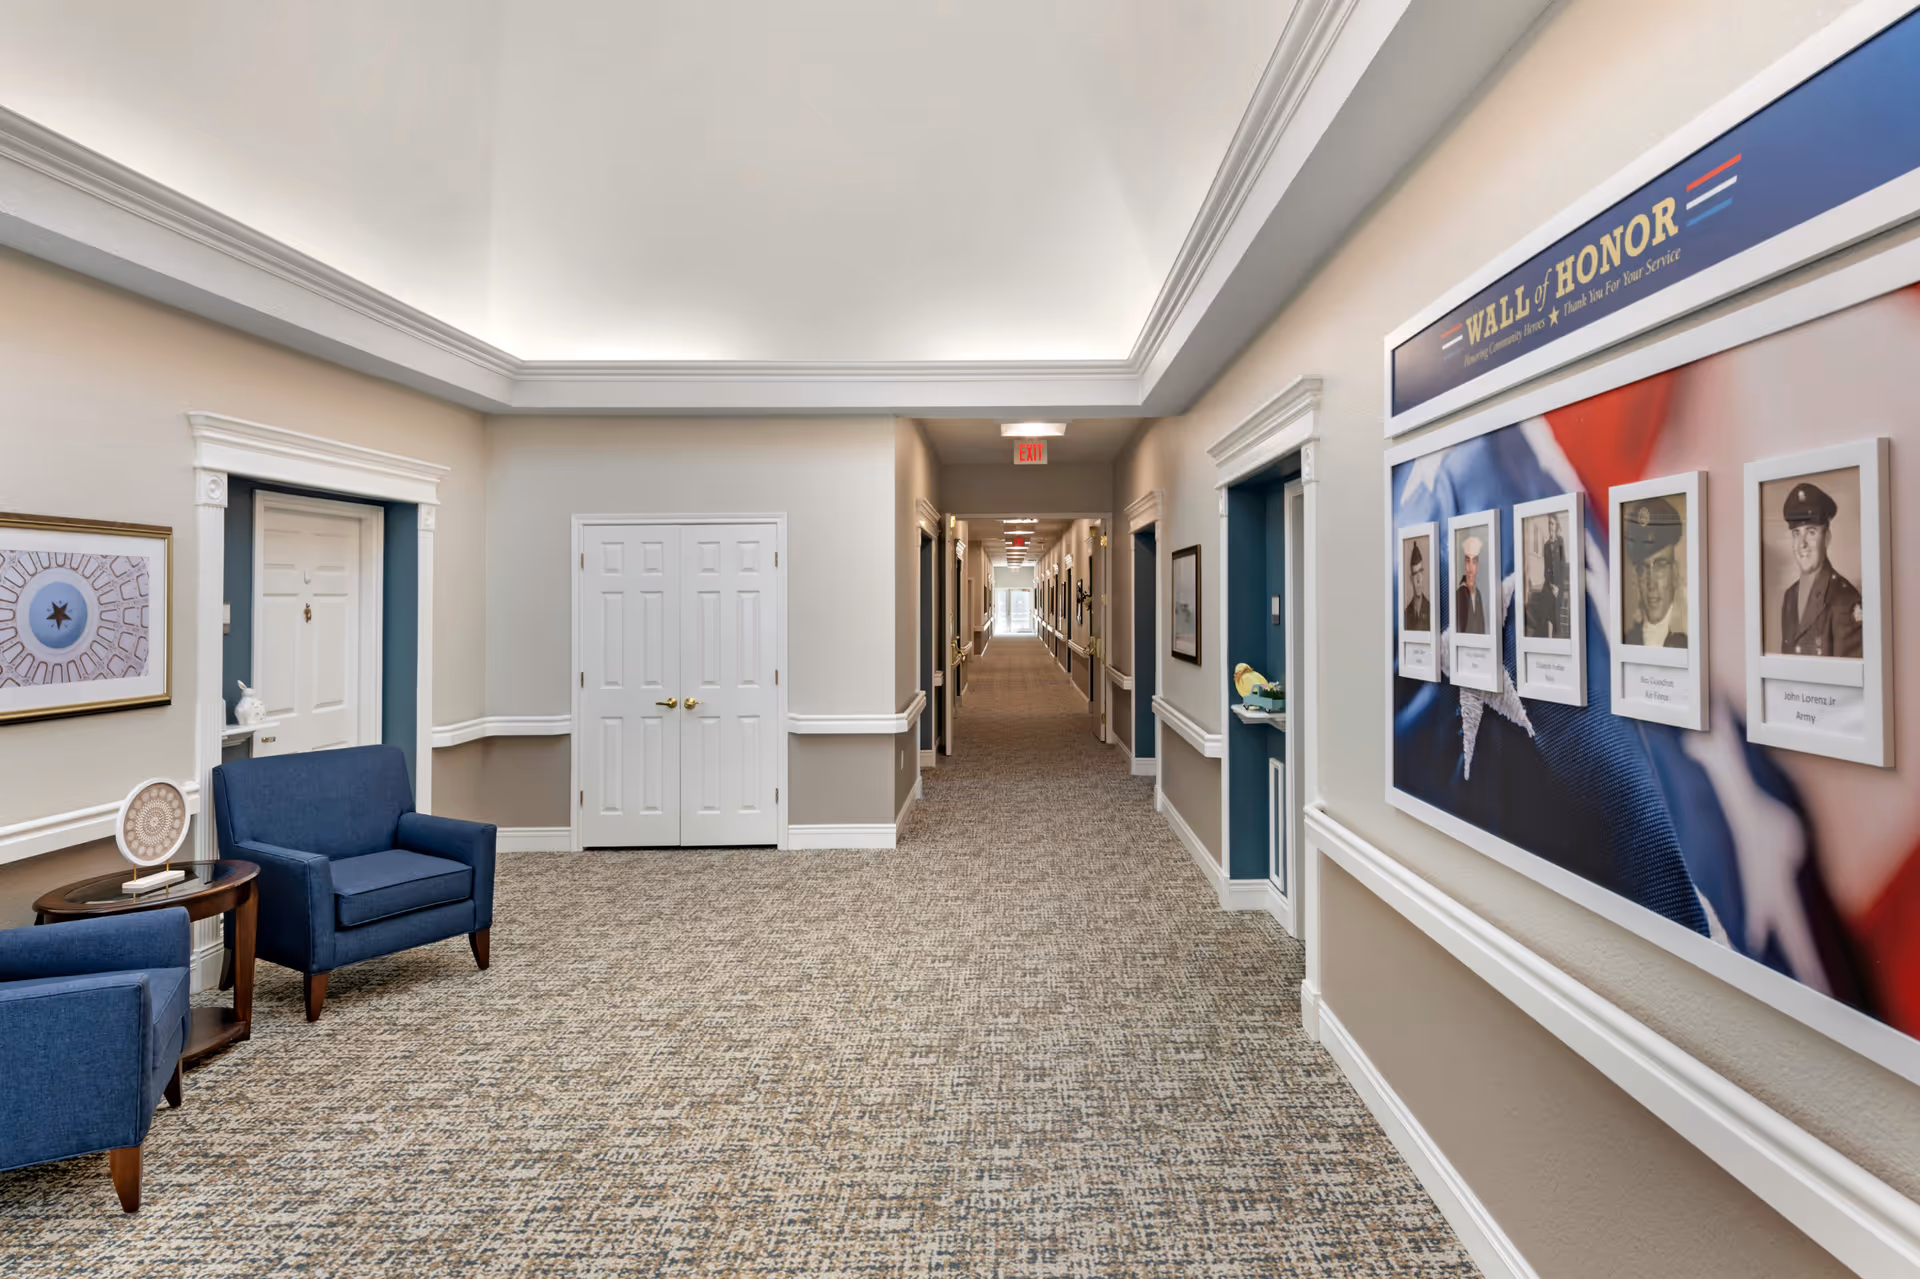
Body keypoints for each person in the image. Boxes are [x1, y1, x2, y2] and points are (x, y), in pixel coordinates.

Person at [1779, 482, 1863, 658]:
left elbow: (1846, 681)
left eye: (1811, 532)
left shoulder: (1846, 601)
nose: (1802, 544)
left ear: (1827, 538)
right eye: (1796, 533)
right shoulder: (1789, 597)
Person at [1622, 496, 1686, 647]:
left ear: (1675, 574)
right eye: (1643, 569)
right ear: (1636, 579)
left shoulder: (1690, 640)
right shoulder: (1628, 641)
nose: (1651, 584)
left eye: (1660, 566)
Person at [1455, 534, 1487, 634]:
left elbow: (1481, 628)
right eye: (1468, 561)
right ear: (1464, 563)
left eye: (1474, 561)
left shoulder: (1478, 594)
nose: (1470, 568)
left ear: (1477, 565)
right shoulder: (1459, 594)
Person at [1403, 540, 1431, 630]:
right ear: (1411, 579)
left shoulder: (1431, 610)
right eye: (1415, 574)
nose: (1419, 580)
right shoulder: (1406, 614)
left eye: (1421, 572)